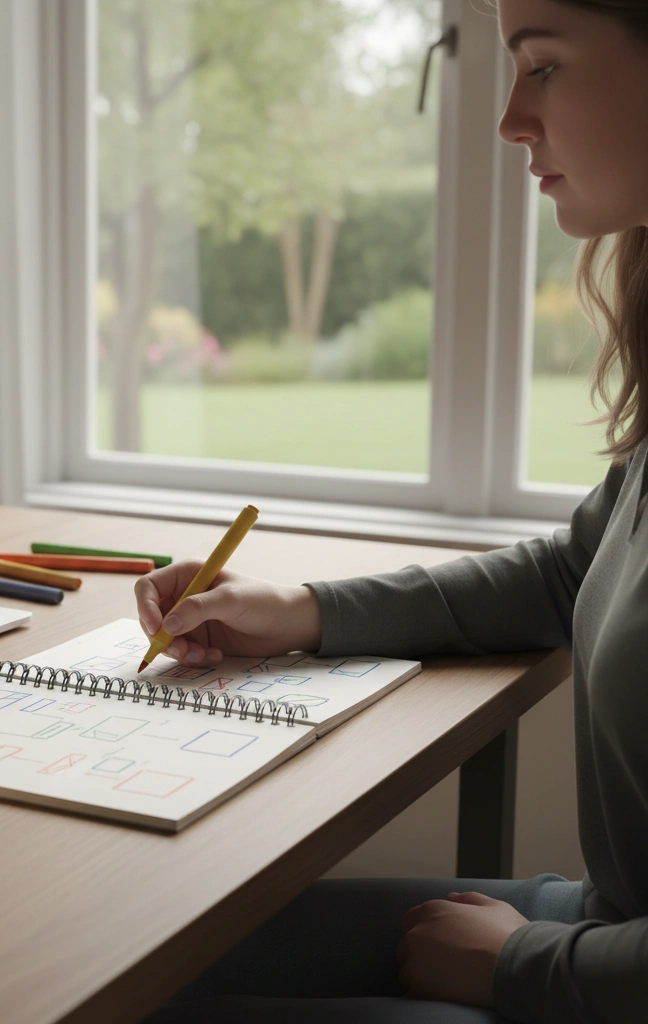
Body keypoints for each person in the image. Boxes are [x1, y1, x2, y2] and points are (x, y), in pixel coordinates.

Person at [136, 1, 648, 1021]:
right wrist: (302, 609)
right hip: (599, 931)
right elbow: (572, 570)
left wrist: (520, 968)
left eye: (540, 66)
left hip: (593, 975)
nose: (508, 118)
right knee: (144, 959)